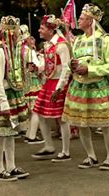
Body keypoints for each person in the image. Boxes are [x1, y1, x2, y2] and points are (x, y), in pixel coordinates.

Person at [62, 4, 109, 171]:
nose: (78, 20)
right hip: (80, 87)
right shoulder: (79, 40)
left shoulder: (105, 40)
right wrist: (72, 65)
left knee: (105, 124)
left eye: (81, 17)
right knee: (82, 123)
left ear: (90, 21)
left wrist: (90, 69)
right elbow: (72, 64)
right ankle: (91, 156)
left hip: (99, 87)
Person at [0, 15, 29, 181]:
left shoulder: (13, 50)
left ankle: (10, 167)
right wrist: (3, 104)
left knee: (10, 134)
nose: (19, 35)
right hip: (3, 97)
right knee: (1, 134)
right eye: (17, 32)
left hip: (13, 95)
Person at [32, 15, 72, 162]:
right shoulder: (48, 45)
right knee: (40, 114)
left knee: (62, 118)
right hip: (49, 82)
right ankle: (49, 146)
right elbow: (49, 65)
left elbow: (66, 69)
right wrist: (37, 68)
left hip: (58, 84)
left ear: (50, 30)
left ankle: (66, 151)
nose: (39, 31)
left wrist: (60, 88)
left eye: (42, 28)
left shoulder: (61, 45)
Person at [18, 25, 44, 145]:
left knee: (29, 110)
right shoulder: (29, 51)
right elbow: (38, 66)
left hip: (21, 83)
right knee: (36, 110)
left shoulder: (16, 50)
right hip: (32, 82)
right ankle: (32, 135)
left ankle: (29, 133)